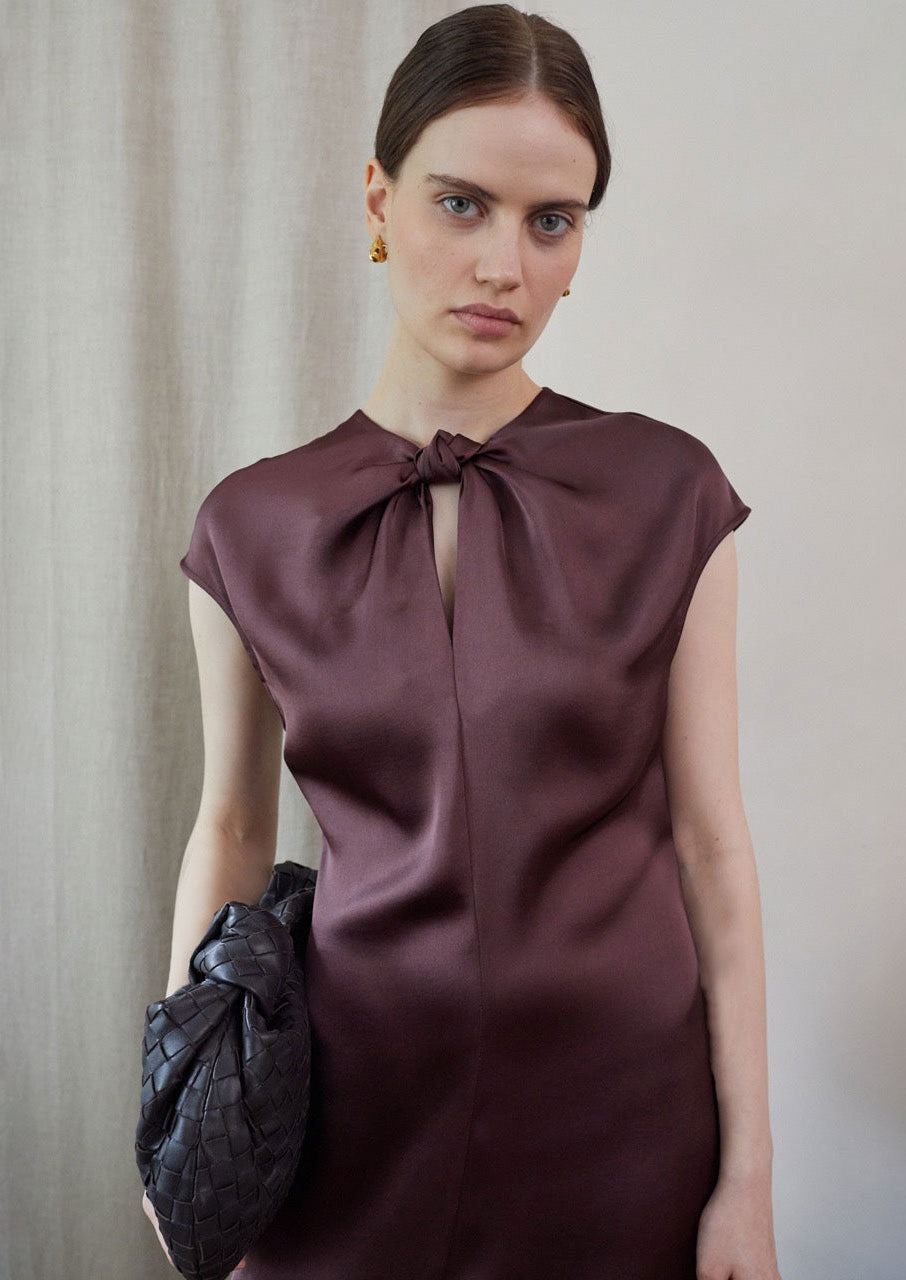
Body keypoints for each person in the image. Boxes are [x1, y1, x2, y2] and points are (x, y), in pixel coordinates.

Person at [143, 4, 782, 1278]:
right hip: (345, 1123)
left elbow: (712, 840)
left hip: (624, 1122)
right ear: (378, 201)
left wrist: (748, 1179)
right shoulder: (251, 524)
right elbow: (231, 824)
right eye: (462, 204)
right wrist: (180, 1127)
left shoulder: (670, 492)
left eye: (552, 220)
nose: (505, 264)